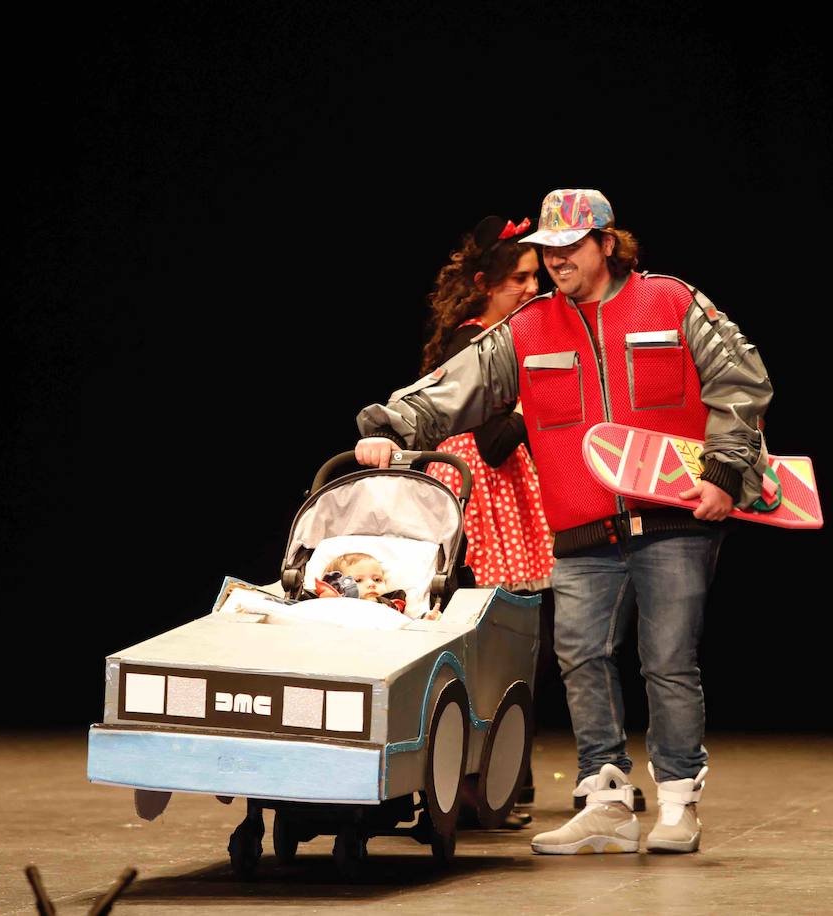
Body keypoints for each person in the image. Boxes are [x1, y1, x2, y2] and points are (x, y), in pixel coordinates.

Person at [355, 189, 773, 855]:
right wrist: (389, 426)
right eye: (548, 251)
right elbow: (454, 388)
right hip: (580, 531)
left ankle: (677, 802)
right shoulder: (528, 328)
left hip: (673, 523)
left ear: (607, 243)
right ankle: (603, 798)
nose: (555, 262)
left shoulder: (669, 301)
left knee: (667, 662)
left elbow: (742, 381)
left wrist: (724, 473)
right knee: (581, 659)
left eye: (570, 247)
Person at [417, 215, 556, 829]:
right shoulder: (473, 346)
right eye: (518, 279)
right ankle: (469, 781)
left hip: (504, 503)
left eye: (536, 276)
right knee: (485, 641)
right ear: (484, 284)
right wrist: (543, 393)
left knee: (512, 641)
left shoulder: (503, 341)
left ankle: (502, 776)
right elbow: (496, 442)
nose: (532, 287)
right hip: (478, 504)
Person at [314, 552, 407, 612]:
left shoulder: (391, 602)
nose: (371, 584)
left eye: (377, 580)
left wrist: (378, 602)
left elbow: (397, 611)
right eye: (358, 580)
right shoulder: (336, 599)